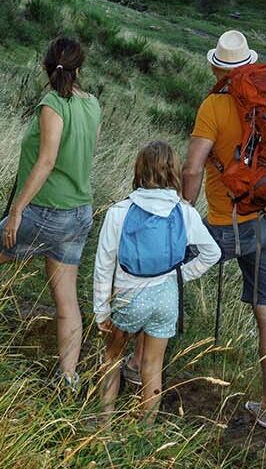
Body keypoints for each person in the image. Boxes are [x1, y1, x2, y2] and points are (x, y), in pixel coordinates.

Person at [0, 35, 101, 390]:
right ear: (79, 67)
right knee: (66, 299)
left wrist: (16, 211)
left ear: (45, 65)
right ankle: (68, 378)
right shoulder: (92, 105)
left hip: (47, 210)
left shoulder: (53, 105)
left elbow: (47, 160)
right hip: (79, 214)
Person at [182, 29, 266, 429]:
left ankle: (140, 365)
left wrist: (183, 212)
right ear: (250, 66)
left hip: (226, 224)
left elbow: (193, 167)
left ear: (215, 67)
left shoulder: (213, 105)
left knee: (168, 274)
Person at [94, 141, 220, 421]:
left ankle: (102, 427)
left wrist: (102, 310)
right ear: (175, 172)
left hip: (129, 297)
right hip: (166, 298)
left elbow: (103, 265)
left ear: (139, 170)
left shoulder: (120, 211)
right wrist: (181, 275)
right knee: (152, 368)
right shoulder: (185, 212)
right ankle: (145, 433)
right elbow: (212, 253)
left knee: (112, 359)